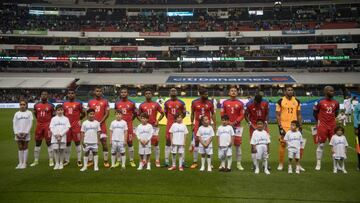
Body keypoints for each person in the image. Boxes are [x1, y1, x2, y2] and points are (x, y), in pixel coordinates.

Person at [276, 86, 303, 171]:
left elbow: (299, 114)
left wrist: (300, 126)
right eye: (288, 90)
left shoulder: (297, 101)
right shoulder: (280, 101)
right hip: (284, 126)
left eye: (291, 90)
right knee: (283, 145)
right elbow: (278, 115)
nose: (290, 91)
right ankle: (281, 163)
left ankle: (298, 164)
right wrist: (280, 126)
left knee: (297, 146)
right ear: (285, 92)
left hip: (295, 127)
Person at [313, 86, 340, 170]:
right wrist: (320, 121)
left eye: (333, 91)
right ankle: (318, 163)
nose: (332, 92)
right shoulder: (319, 101)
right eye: (330, 91)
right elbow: (315, 113)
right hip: (322, 126)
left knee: (335, 145)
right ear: (325, 91)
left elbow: (336, 113)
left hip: (332, 126)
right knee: (320, 145)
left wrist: (331, 121)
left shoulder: (336, 102)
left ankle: (336, 164)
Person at [138, 89, 165, 167]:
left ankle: (157, 160)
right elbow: (138, 115)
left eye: (149, 93)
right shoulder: (142, 105)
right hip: (145, 128)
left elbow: (162, 113)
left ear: (152, 95)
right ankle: (144, 160)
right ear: (144, 95)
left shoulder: (156, 104)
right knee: (144, 143)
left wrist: (158, 120)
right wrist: (142, 122)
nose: (148, 94)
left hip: (154, 127)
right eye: (146, 93)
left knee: (156, 143)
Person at [190, 88, 216, 169]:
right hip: (198, 124)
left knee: (209, 143)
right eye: (205, 94)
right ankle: (195, 162)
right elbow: (192, 114)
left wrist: (214, 124)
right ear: (200, 94)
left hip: (207, 125)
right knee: (196, 143)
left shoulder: (210, 102)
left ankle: (210, 162)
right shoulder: (194, 102)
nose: (207, 95)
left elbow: (213, 114)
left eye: (207, 94)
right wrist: (192, 124)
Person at [220, 85, 245, 170]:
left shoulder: (240, 103)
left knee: (238, 146)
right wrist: (227, 122)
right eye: (232, 90)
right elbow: (222, 114)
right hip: (226, 127)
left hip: (237, 127)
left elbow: (242, 115)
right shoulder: (224, 103)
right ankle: (222, 164)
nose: (233, 92)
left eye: (235, 90)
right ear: (229, 92)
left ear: (237, 93)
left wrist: (235, 122)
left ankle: (238, 163)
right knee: (224, 145)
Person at [245, 93, 269, 169]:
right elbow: (245, 115)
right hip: (253, 126)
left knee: (266, 144)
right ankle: (254, 164)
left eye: (259, 102)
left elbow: (267, 114)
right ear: (254, 100)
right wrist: (250, 123)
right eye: (256, 102)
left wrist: (265, 123)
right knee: (253, 145)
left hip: (264, 126)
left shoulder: (264, 104)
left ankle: (265, 163)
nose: (257, 104)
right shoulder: (250, 105)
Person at [30, 91, 55, 167]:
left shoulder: (51, 105)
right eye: (42, 94)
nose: (44, 96)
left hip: (48, 125)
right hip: (39, 126)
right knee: (38, 143)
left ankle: (51, 160)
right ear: (40, 96)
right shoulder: (36, 105)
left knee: (49, 143)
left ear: (48, 96)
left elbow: (53, 116)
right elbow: (35, 115)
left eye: (45, 94)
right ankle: (36, 160)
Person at [87, 86, 110, 168]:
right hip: (92, 126)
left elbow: (107, 113)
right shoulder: (90, 102)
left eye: (100, 91)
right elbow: (88, 113)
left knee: (104, 143)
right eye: (97, 91)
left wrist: (100, 122)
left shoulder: (105, 101)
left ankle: (106, 161)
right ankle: (90, 161)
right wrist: (92, 122)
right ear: (94, 92)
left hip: (102, 125)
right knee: (90, 143)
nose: (98, 92)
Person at [115, 87, 137, 167]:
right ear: (120, 94)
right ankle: (118, 160)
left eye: (125, 92)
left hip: (129, 126)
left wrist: (130, 120)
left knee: (130, 143)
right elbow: (116, 113)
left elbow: (135, 113)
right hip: (119, 127)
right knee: (118, 143)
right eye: (122, 92)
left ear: (127, 93)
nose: (123, 93)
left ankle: (131, 160)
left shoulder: (132, 103)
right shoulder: (117, 103)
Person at [164, 88, 186, 167]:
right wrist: (171, 120)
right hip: (169, 124)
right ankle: (166, 160)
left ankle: (182, 161)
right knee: (168, 141)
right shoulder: (166, 103)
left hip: (179, 124)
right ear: (169, 93)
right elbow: (166, 113)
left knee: (181, 142)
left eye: (175, 90)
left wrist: (179, 121)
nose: (173, 92)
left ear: (177, 92)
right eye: (172, 91)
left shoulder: (181, 102)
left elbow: (184, 114)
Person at [63, 89, 85, 167]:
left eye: (72, 93)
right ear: (67, 95)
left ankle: (79, 160)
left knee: (77, 142)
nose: (71, 94)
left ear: (75, 95)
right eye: (69, 93)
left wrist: (79, 120)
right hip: (67, 126)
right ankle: (67, 160)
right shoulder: (64, 103)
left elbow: (83, 113)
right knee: (67, 143)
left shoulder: (79, 103)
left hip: (76, 126)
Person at [13, 100, 33, 169]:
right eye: (21, 104)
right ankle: (20, 163)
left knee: (25, 147)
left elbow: (30, 123)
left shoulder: (29, 113)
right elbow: (14, 124)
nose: (22, 106)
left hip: (26, 133)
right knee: (20, 147)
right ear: (19, 105)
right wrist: (16, 133)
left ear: (26, 105)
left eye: (24, 104)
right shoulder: (16, 114)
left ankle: (24, 163)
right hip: (18, 133)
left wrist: (26, 132)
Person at [49, 104, 70, 170]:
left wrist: (60, 134)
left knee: (61, 150)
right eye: (58, 110)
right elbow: (51, 127)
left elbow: (67, 128)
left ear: (63, 110)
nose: (60, 111)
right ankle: (57, 163)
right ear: (56, 111)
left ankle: (61, 163)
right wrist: (56, 135)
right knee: (55, 150)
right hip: (55, 137)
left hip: (62, 137)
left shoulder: (66, 119)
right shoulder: (53, 119)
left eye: (61, 110)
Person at [354, 100, 360, 170]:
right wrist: (356, 127)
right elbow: (355, 116)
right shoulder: (358, 106)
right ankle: (359, 164)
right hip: (359, 127)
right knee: (359, 146)